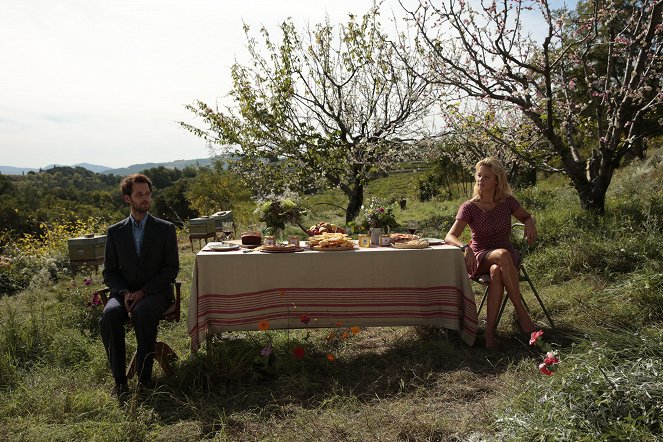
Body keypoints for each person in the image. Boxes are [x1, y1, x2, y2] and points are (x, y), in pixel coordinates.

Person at [445, 158, 538, 348]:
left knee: (497, 270)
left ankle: (489, 335)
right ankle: (523, 316)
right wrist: (465, 247)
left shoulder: (507, 202)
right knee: (501, 255)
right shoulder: (469, 207)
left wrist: (529, 222)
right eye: (479, 175)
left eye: (486, 176)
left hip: (506, 257)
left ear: (497, 180)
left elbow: (527, 216)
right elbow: (450, 236)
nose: (481, 180)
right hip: (480, 256)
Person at [100, 174, 179, 394]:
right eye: (139, 194)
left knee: (143, 311)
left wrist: (144, 291)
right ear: (127, 199)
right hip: (124, 294)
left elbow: (171, 269)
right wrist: (124, 293)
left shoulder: (165, 229)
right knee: (109, 315)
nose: (145, 199)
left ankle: (144, 380)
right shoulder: (115, 232)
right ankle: (120, 381)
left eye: (147, 194)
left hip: (156, 293)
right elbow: (109, 272)